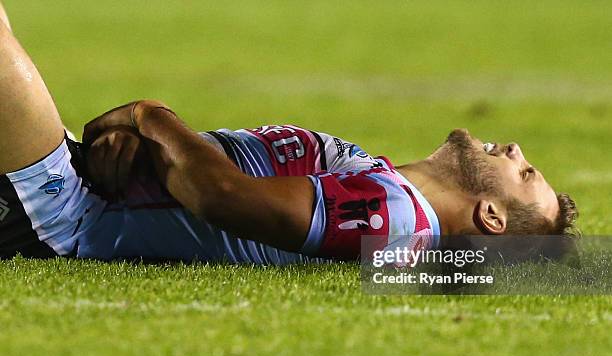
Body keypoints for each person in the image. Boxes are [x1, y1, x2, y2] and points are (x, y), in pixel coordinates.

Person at [0, 4, 578, 263]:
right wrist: (141, 146)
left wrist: (149, 117)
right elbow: (205, 164)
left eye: (525, 174)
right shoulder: (370, 175)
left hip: (56, 212)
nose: (517, 151)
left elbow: (222, 195)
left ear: (492, 218)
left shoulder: (395, 219)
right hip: (82, 174)